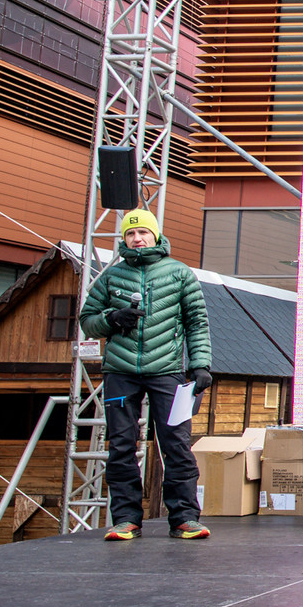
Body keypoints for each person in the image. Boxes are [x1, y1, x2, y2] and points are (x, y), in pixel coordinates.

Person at [78, 207, 212, 540]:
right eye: (130, 233)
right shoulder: (111, 276)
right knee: (121, 446)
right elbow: (87, 321)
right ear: (124, 239)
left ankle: (184, 517)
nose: (137, 239)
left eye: (143, 233)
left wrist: (200, 364)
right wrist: (112, 319)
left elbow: (197, 322)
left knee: (176, 444)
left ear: (155, 235)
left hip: (167, 370)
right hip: (120, 372)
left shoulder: (179, 273)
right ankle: (126, 519)